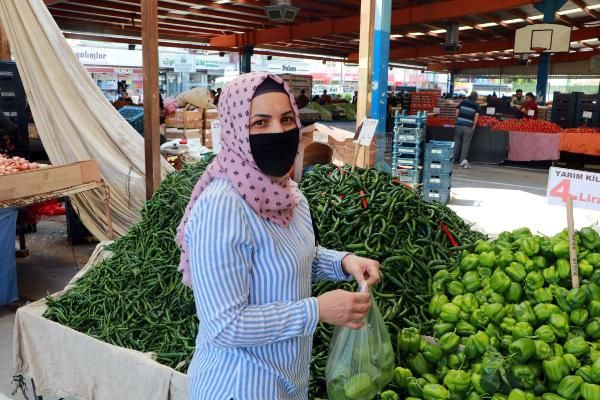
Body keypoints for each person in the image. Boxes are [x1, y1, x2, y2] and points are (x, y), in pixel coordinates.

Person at [175, 73, 380, 400]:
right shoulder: (222, 207)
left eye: (286, 119)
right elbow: (225, 325)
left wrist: (343, 262)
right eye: (260, 122)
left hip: (286, 380)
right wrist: (317, 310)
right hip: (239, 385)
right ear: (236, 131)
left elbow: (294, 258)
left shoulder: (289, 194)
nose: (278, 131)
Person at [454, 91, 481, 169]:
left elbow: (457, 112)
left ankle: (453, 158)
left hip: (459, 125)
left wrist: (457, 121)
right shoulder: (476, 105)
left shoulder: (463, 102)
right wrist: (474, 126)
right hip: (468, 126)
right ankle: (462, 160)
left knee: (456, 142)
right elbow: (476, 116)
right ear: (476, 98)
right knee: (466, 144)